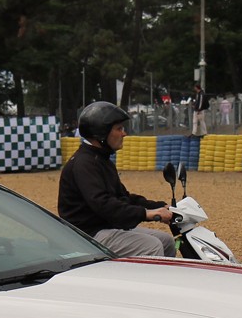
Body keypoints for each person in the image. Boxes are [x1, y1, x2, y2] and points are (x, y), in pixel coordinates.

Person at [58, 101, 174, 257]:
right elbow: (104, 204)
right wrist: (146, 214)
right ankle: (143, 282)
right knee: (152, 246)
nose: (124, 133)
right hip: (86, 235)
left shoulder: (100, 159)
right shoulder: (84, 164)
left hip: (104, 227)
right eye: (119, 129)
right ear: (101, 133)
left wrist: (160, 206)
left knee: (166, 240)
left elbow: (123, 197)